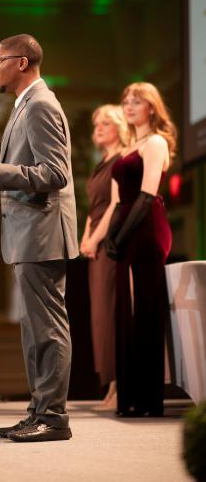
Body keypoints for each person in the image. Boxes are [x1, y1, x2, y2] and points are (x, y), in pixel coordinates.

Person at [0, 34, 79, 442]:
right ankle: (38, 412)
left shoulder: (41, 105)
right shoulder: (25, 106)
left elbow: (54, 173)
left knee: (46, 327)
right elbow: (24, 175)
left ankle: (53, 417)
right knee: (34, 329)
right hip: (28, 234)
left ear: (23, 62)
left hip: (42, 234)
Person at [105, 82, 177, 417]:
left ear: (152, 107)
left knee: (145, 310)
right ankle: (131, 397)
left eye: (137, 101)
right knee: (128, 312)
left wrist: (120, 235)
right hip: (128, 227)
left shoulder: (156, 142)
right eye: (126, 101)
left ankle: (148, 399)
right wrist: (112, 235)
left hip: (147, 228)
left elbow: (147, 196)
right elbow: (119, 201)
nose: (130, 106)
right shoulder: (127, 147)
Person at [80, 104, 128, 409]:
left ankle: (119, 387)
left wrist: (96, 239)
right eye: (96, 122)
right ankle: (110, 387)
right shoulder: (102, 162)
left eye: (105, 123)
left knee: (111, 315)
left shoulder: (122, 161)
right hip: (95, 243)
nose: (98, 127)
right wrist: (85, 237)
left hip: (109, 244)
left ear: (120, 127)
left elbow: (115, 205)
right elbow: (94, 208)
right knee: (99, 317)